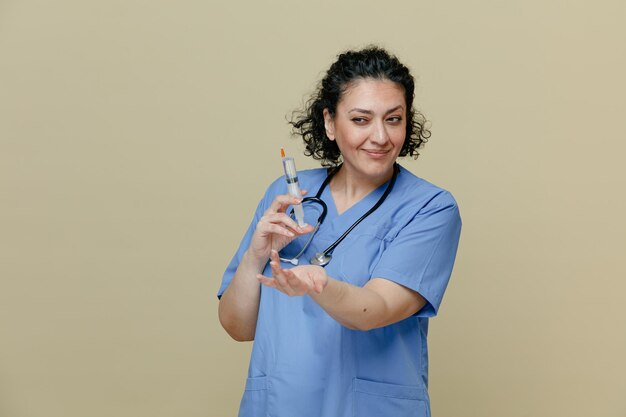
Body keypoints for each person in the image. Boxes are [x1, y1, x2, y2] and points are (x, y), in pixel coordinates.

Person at [218, 46, 462, 417]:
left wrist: (318, 283)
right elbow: (237, 326)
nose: (380, 136)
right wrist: (256, 254)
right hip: (276, 406)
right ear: (330, 123)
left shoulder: (429, 208)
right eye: (361, 119)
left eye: (393, 119)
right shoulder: (286, 195)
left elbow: (373, 310)